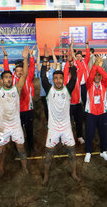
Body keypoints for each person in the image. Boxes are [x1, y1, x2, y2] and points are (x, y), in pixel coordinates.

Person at [40, 51, 80, 185]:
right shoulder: (49, 89)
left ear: (63, 79)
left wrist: (71, 62)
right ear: (53, 80)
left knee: (72, 153)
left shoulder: (68, 89)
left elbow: (74, 77)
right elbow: (42, 76)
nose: (57, 80)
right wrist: (45, 59)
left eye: (60, 78)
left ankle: (74, 173)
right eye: (55, 78)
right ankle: (46, 176)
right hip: (53, 129)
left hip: (66, 128)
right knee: (48, 155)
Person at [0, 44, 30, 178]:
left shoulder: (16, 89)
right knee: (0, 151)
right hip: (2, 127)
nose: (9, 79)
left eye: (10, 77)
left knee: (21, 148)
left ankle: (25, 167)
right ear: (1, 80)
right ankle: (1, 169)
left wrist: (25, 59)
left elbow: (24, 75)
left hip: (16, 126)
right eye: (6, 77)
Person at [3, 46, 36, 153]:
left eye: (21, 70)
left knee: (29, 130)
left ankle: (31, 147)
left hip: (28, 110)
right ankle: (16, 149)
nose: (20, 72)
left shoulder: (28, 78)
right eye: (18, 71)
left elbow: (32, 68)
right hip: (16, 111)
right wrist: (5, 57)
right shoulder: (12, 80)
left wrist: (30, 57)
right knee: (16, 131)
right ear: (15, 72)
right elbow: (6, 70)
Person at [84, 55, 107, 163]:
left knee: (103, 133)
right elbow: (90, 76)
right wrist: (95, 66)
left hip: (102, 113)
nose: (98, 77)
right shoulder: (89, 84)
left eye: (99, 76)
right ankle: (88, 152)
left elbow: (105, 76)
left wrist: (99, 67)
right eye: (96, 75)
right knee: (89, 134)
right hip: (91, 113)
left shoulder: (104, 84)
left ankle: (103, 151)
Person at [65, 42, 86, 144]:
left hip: (78, 103)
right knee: (68, 122)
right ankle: (68, 137)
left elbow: (81, 67)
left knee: (78, 122)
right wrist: (70, 51)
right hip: (68, 104)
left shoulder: (78, 76)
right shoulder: (65, 77)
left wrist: (74, 56)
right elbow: (66, 65)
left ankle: (79, 136)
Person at [36, 44, 56, 121]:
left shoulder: (52, 70)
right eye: (46, 64)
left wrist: (53, 52)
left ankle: (54, 121)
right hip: (43, 94)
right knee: (46, 109)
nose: (47, 66)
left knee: (53, 108)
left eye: (48, 64)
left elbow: (55, 62)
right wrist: (38, 52)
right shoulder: (41, 71)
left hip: (52, 93)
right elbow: (38, 63)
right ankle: (48, 123)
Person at [73, 37, 90, 107]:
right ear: (75, 57)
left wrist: (86, 44)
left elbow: (88, 53)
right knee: (77, 100)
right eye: (77, 56)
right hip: (77, 85)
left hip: (84, 84)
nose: (79, 57)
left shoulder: (84, 62)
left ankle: (86, 113)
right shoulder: (74, 63)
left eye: (80, 56)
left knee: (85, 99)